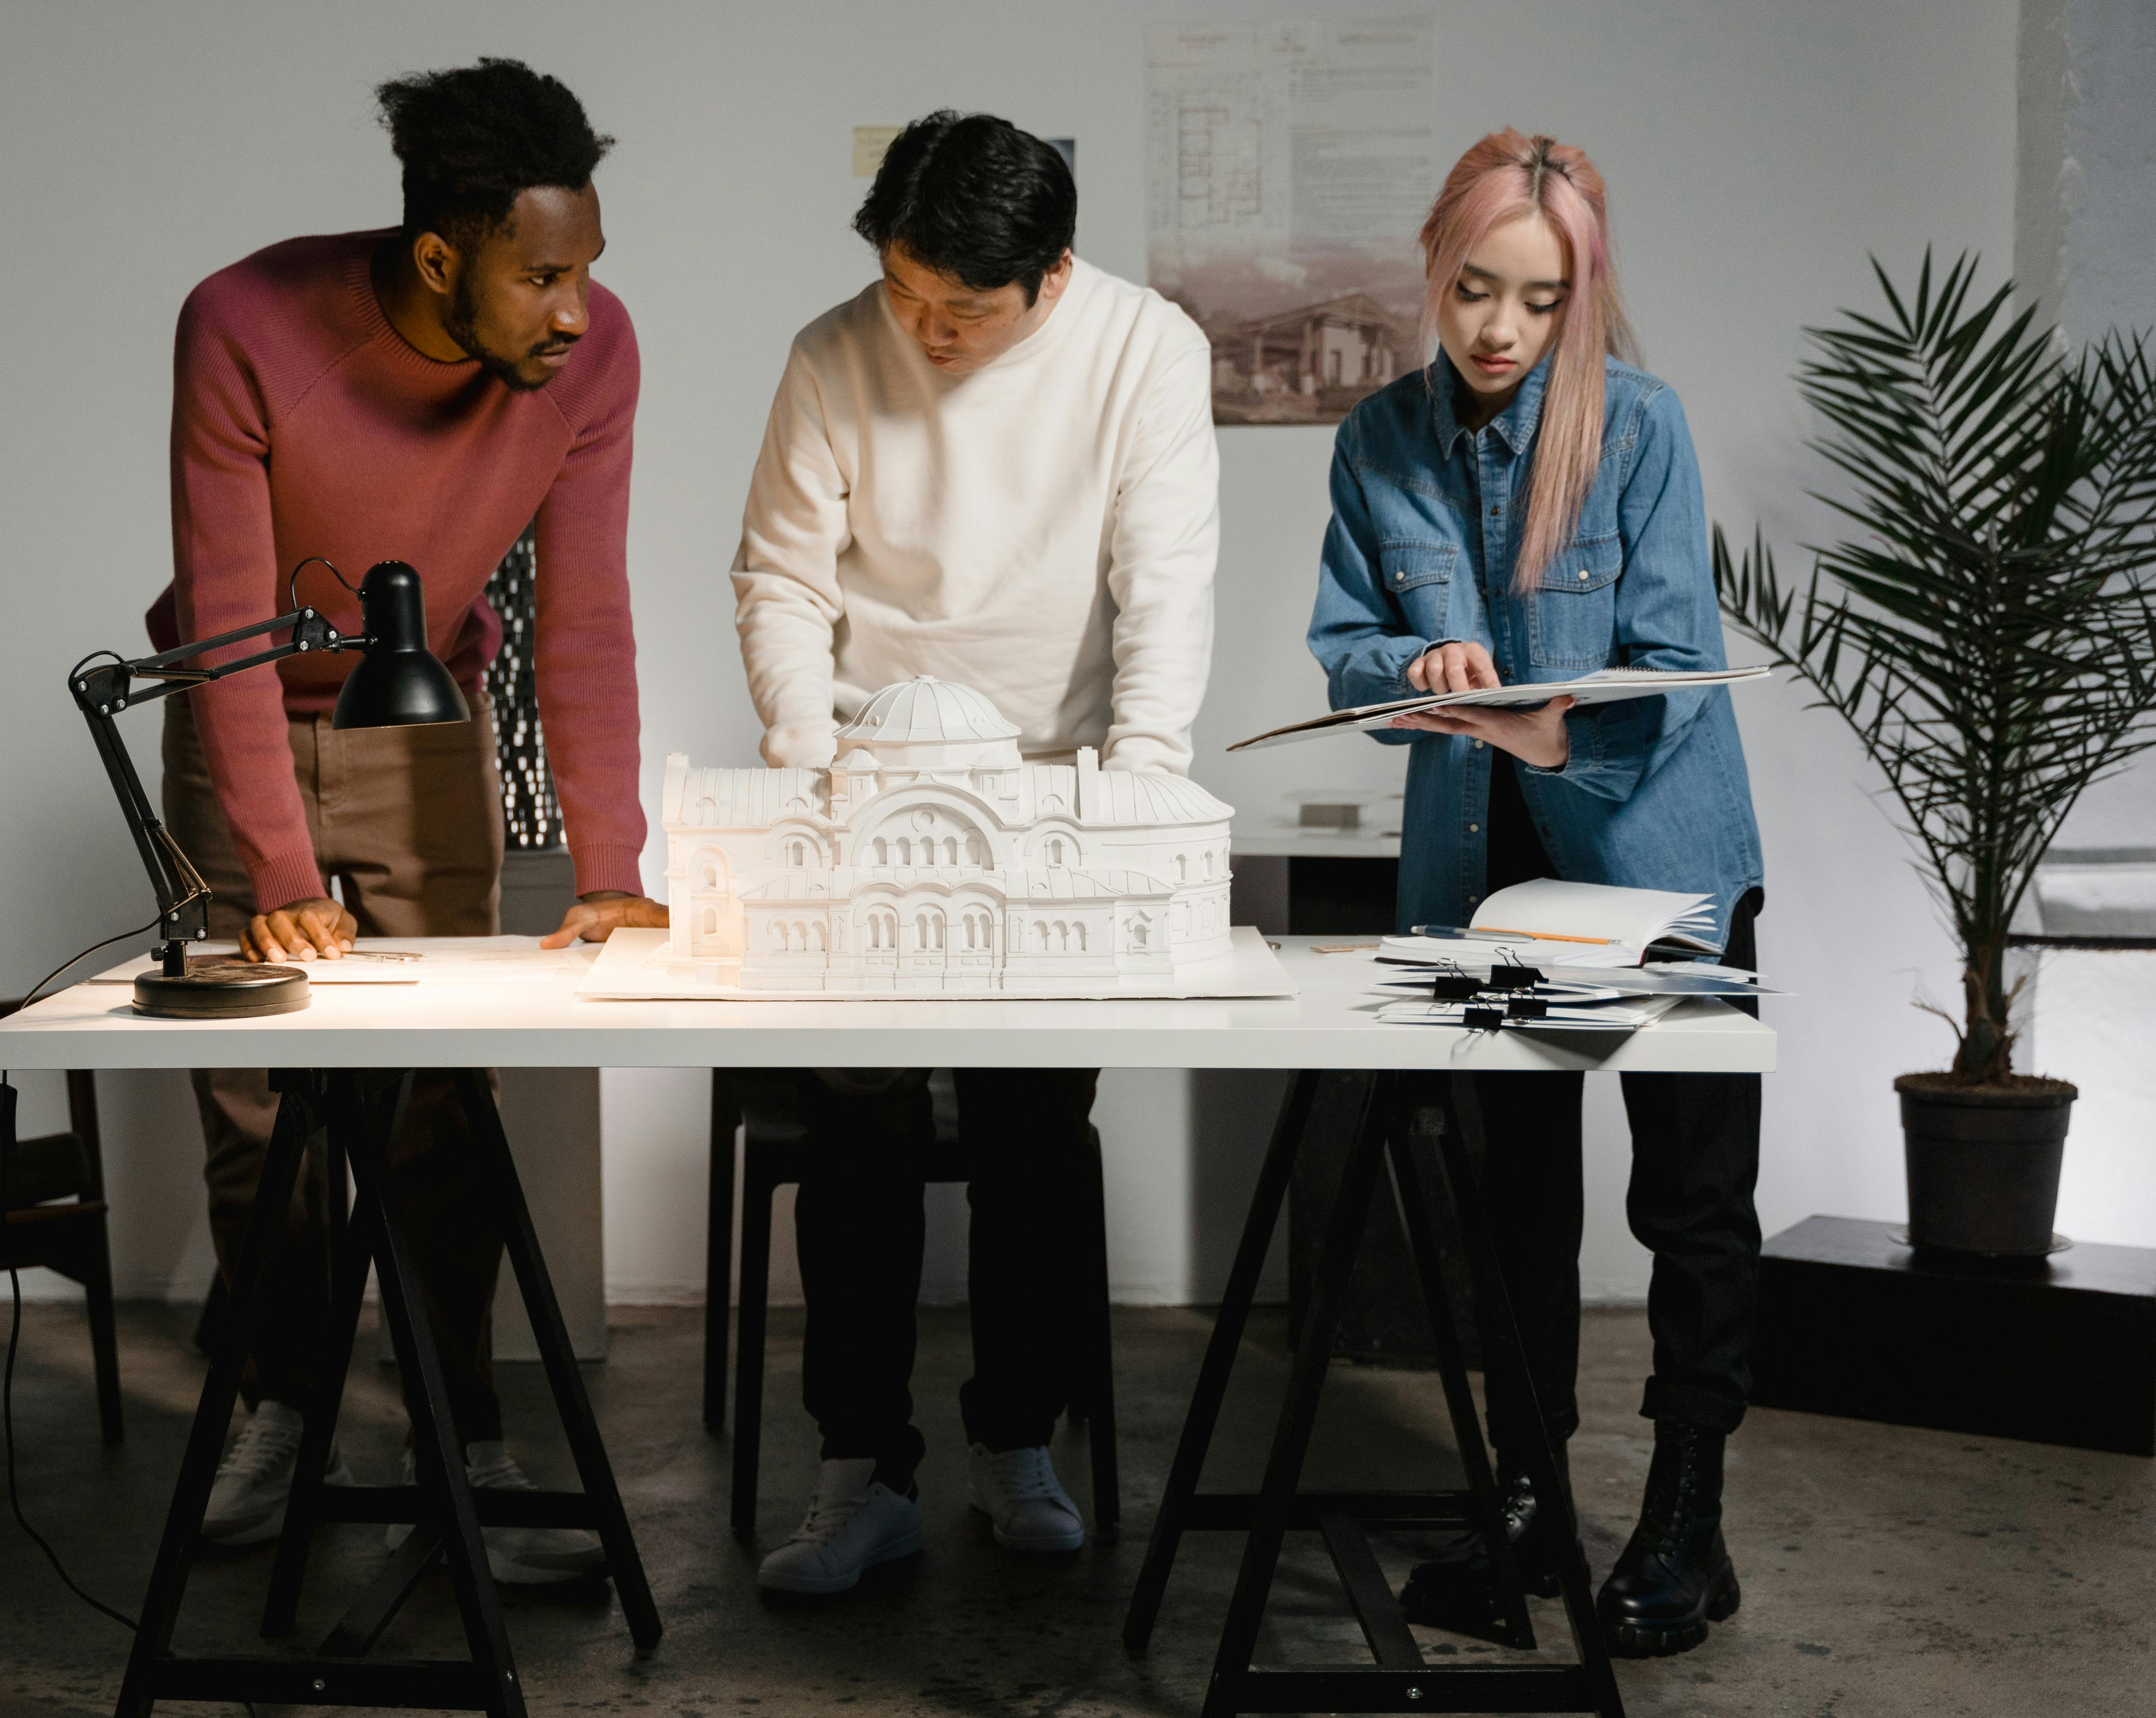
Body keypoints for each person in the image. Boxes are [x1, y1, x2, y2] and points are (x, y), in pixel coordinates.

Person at [156, 59, 665, 1578]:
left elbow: (584, 620)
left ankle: (469, 1434)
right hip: (235, 725)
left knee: (443, 1101)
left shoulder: (594, 358)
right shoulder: (244, 323)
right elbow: (228, 619)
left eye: (588, 269)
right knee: (262, 1119)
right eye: (545, 276)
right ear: (444, 260)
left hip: (422, 723)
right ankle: (282, 1405)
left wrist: (613, 869)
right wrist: (276, 869)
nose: (576, 309)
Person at [731, 111, 1219, 1596]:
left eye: (965, 311)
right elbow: (778, 577)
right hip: (870, 787)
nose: (926, 332)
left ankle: (1018, 1443)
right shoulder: (831, 352)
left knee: (1030, 1144)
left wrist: (1136, 787)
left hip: (1060, 791)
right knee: (857, 1143)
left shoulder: (1144, 348)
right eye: (905, 295)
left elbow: (1165, 575)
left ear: (1052, 278)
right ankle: (858, 1472)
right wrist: (812, 769)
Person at [1308, 129, 1765, 1659]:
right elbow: (1350, 646)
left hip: (1660, 864)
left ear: (1583, 297)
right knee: (1512, 1202)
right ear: (1433, 272)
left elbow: (1674, 661)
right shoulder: (1377, 439)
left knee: (1688, 1200)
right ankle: (1524, 1501)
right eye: (1472, 290)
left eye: (1539, 300)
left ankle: (1686, 1513)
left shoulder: (1640, 427)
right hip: (1481, 875)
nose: (1499, 329)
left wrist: (1556, 722)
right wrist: (1412, 667)